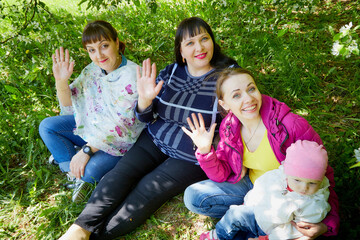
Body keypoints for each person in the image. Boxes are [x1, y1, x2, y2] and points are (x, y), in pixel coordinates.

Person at [58, 17, 238, 240]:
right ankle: (79, 229)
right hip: (154, 139)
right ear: (181, 50)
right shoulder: (171, 72)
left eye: (204, 39)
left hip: (190, 154)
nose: (199, 47)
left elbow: (238, 119)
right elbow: (144, 116)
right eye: (190, 43)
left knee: (147, 189)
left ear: (213, 42)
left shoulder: (228, 76)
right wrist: (144, 99)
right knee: (120, 175)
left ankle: (96, 236)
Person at [182, 68, 339, 240]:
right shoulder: (230, 126)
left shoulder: (291, 125)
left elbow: (323, 176)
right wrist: (205, 151)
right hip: (254, 187)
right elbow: (222, 174)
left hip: (290, 194)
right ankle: (251, 219)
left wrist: (327, 225)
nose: (248, 99)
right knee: (193, 196)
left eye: (251, 89)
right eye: (236, 95)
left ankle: (253, 224)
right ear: (224, 104)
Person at [39, 20, 145, 202]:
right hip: (92, 129)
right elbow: (69, 106)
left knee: (90, 172)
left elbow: (122, 127)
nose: (99, 55)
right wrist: (61, 82)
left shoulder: (133, 75)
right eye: (92, 50)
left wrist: (86, 151)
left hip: (120, 143)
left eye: (104, 46)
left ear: (117, 43)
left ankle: (78, 168)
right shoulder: (93, 70)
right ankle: (71, 172)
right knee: (47, 126)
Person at [197, 140, 331, 240]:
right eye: (297, 180)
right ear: (287, 171)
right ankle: (217, 236)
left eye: (312, 183)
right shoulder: (277, 178)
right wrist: (248, 204)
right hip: (257, 212)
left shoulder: (314, 203)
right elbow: (261, 188)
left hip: (270, 231)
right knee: (235, 214)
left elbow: (295, 230)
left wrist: (267, 238)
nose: (304, 188)